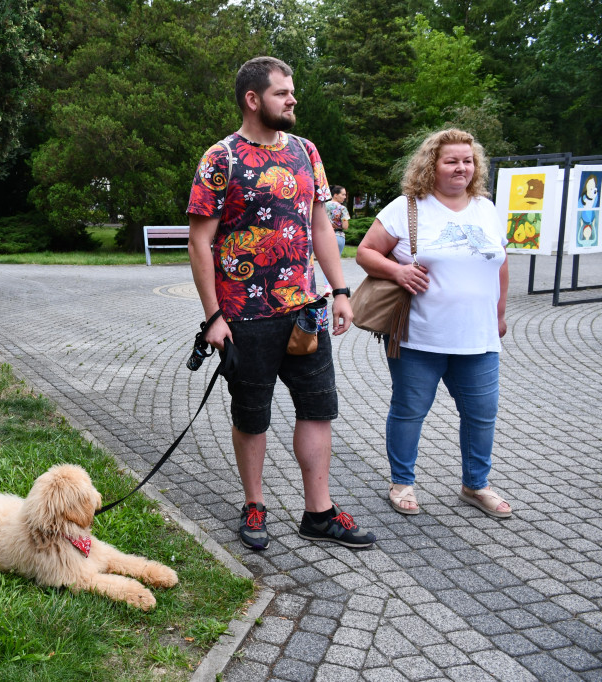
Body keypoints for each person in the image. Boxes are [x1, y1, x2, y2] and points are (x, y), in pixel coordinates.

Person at [186, 56, 376, 550]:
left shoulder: (306, 152)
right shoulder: (220, 158)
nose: (293, 99)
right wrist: (213, 317)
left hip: (305, 312)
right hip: (243, 317)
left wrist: (339, 290)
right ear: (253, 99)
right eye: (282, 93)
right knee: (252, 413)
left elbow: (321, 227)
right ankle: (254, 504)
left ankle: (319, 513)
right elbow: (199, 243)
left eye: (292, 92)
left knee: (317, 409)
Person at [355, 128, 511, 518]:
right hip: (419, 336)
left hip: (478, 337)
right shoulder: (407, 207)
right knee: (410, 410)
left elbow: (500, 262)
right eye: (452, 161)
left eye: (468, 160)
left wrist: (500, 313)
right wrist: (398, 271)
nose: (462, 168)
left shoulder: (485, 208)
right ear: (431, 165)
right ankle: (402, 482)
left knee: (481, 413)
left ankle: (476, 485)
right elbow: (365, 252)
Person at [325, 185, 350, 255]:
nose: (345, 197)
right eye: (343, 195)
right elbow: (345, 226)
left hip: (323, 237)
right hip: (337, 236)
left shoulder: (322, 206)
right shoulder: (342, 208)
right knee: (335, 263)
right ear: (335, 195)